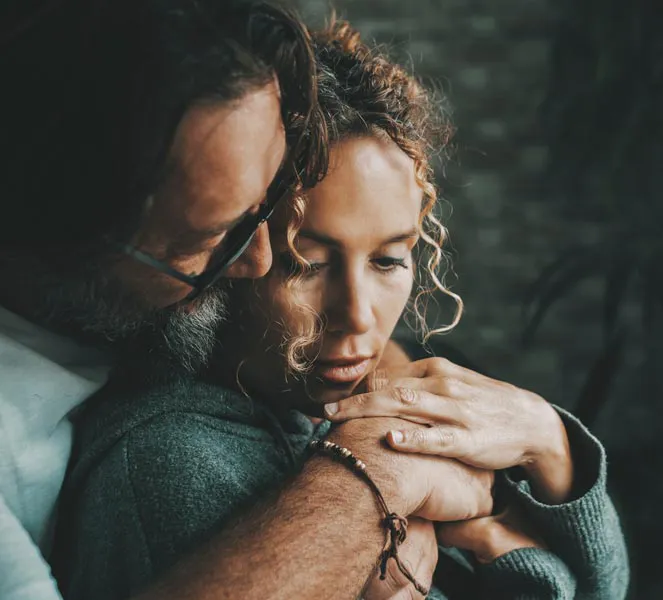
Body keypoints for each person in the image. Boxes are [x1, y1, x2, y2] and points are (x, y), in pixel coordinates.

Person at [54, 20, 630, 600]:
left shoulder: (374, 397)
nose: (358, 318)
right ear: (231, 253)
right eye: (306, 265)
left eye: (387, 261)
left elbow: (613, 586)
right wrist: (515, 556)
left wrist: (548, 439)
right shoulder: (169, 463)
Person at [0, 2, 494, 599]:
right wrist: (377, 477)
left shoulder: (180, 326)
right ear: (69, 230)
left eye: (268, 204)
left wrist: (550, 444)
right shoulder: (153, 453)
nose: (255, 262)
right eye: (216, 237)